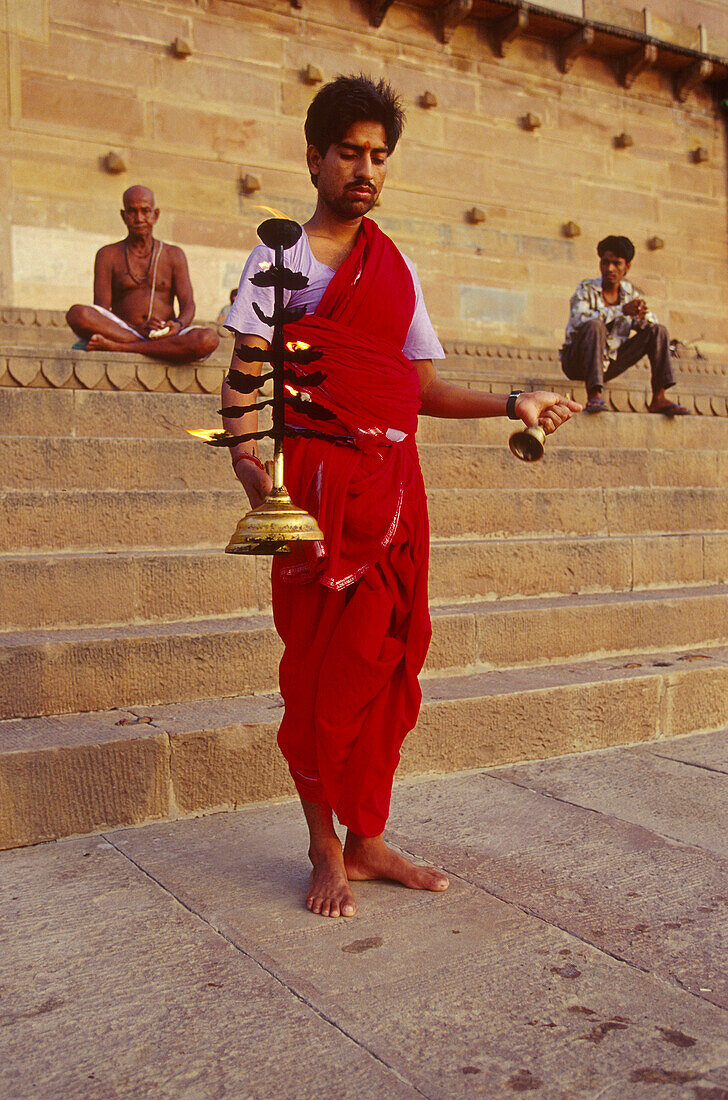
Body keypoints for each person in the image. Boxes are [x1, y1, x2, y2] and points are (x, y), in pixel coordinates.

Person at [224, 75, 581, 919]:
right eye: (349, 152)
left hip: (394, 492)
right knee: (315, 674)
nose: (365, 169)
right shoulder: (282, 257)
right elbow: (245, 372)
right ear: (314, 158)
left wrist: (514, 400)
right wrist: (249, 463)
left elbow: (421, 388)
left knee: (387, 663)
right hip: (314, 493)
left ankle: (369, 838)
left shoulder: (395, 266)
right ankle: (322, 846)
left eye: (379, 155)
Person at [66, 185, 219, 364]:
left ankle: (122, 347)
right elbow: (101, 311)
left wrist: (176, 326)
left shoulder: (173, 254)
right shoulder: (108, 254)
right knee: (77, 313)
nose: (139, 218)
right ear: (123, 216)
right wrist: (137, 329)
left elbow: (188, 305)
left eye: (145, 211)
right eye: (132, 211)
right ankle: (157, 348)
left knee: (208, 339)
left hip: (165, 333)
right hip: (125, 330)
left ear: (156, 215)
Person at [560, 235, 687, 415]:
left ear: (626, 267)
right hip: (575, 362)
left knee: (658, 330)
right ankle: (594, 395)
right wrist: (622, 310)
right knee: (595, 325)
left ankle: (659, 397)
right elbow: (580, 320)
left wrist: (641, 317)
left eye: (616, 263)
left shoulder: (629, 294)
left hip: (609, 364)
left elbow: (650, 324)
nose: (609, 268)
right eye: (605, 262)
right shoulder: (586, 288)